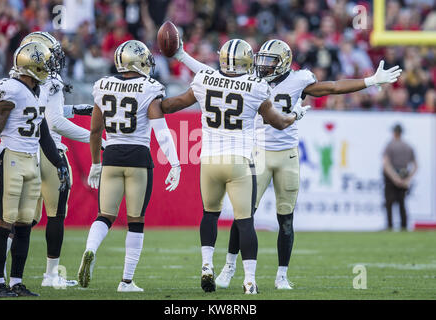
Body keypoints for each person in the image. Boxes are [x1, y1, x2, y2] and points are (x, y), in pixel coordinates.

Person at [172, 38, 403, 290]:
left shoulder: (299, 79)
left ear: (283, 63)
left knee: (286, 219)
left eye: (270, 62)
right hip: (258, 152)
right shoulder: (249, 77)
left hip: (287, 155)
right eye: (261, 61)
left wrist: (369, 81)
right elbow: (211, 74)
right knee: (244, 217)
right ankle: (229, 267)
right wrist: (182, 55)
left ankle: (281, 275)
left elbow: (333, 87)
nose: (263, 67)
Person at [161, 39, 310, 294]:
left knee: (209, 215)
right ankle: (249, 281)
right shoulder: (256, 86)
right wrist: (297, 114)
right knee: (245, 221)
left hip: (208, 161)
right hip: (239, 161)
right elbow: (279, 123)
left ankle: (207, 265)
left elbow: (171, 105)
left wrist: (149, 102)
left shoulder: (204, 79)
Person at [3, 31, 106, 289]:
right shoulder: (52, 79)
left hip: (22, 152)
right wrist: (96, 139)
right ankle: (51, 275)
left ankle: (0, 274)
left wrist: (74, 110)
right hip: (49, 152)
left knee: (23, 219)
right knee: (56, 215)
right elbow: (55, 123)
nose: (55, 59)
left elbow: (45, 114)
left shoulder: (15, 80)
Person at [78, 40, 181, 292]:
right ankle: (126, 281)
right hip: (138, 157)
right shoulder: (149, 87)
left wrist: (94, 163)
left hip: (111, 155)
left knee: (105, 215)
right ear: (138, 62)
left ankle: (90, 249)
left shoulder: (102, 85)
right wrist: (175, 163)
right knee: (136, 221)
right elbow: (161, 131)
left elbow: (94, 130)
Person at [0, 41, 70, 297]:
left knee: (23, 225)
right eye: (43, 63)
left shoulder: (34, 90)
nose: (48, 67)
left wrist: (58, 163)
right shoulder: (9, 88)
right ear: (31, 65)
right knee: (4, 224)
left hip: (31, 159)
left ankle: (16, 282)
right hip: (10, 157)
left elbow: (44, 134)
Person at [383, 124, 417, 231]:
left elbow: (386, 164)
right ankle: (404, 226)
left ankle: (390, 226)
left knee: (389, 203)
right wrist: (407, 179)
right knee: (402, 203)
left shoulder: (390, 146)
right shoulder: (408, 146)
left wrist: (394, 178)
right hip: (404, 174)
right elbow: (415, 166)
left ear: (394, 133)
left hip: (392, 177)